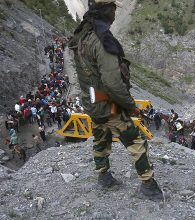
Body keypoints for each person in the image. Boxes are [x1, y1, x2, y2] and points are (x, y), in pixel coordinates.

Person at [69, 0, 163, 200]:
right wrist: (130, 106)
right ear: (105, 11)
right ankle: (149, 186)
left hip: (92, 103)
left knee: (101, 138)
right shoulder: (101, 41)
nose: (115, 12)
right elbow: (113, 83)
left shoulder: (83, 34)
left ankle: (103, 177)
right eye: (113, 8)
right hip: (108, 106)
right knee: (137, 142)